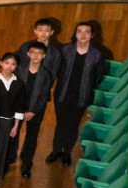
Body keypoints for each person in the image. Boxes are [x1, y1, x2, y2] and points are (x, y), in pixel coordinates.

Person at [47, 20, 108, 166]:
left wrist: (89, 89)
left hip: (82, 96)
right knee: (61, 123)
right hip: (62, 94)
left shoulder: (97, 55)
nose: (83, 35)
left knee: (73, 124)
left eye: (87, 32)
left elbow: (99, 76)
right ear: (75, 34)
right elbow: (56, 70)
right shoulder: (65, 50)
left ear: (92, 35)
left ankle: (67, 152)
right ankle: (56, 150)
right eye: (80, 31)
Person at [17, 41, 54, 178]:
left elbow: (44, 96)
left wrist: (32, 111)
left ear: (44, 56)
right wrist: (20, 109)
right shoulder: (20, 70)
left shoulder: (46, 74)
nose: (35, 56)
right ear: (28, 54)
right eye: (33, 52)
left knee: (32, 136)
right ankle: (9, 158)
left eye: (39, 53)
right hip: (19, 108)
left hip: (36, 110)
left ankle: (27, 163)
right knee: (14, 133)